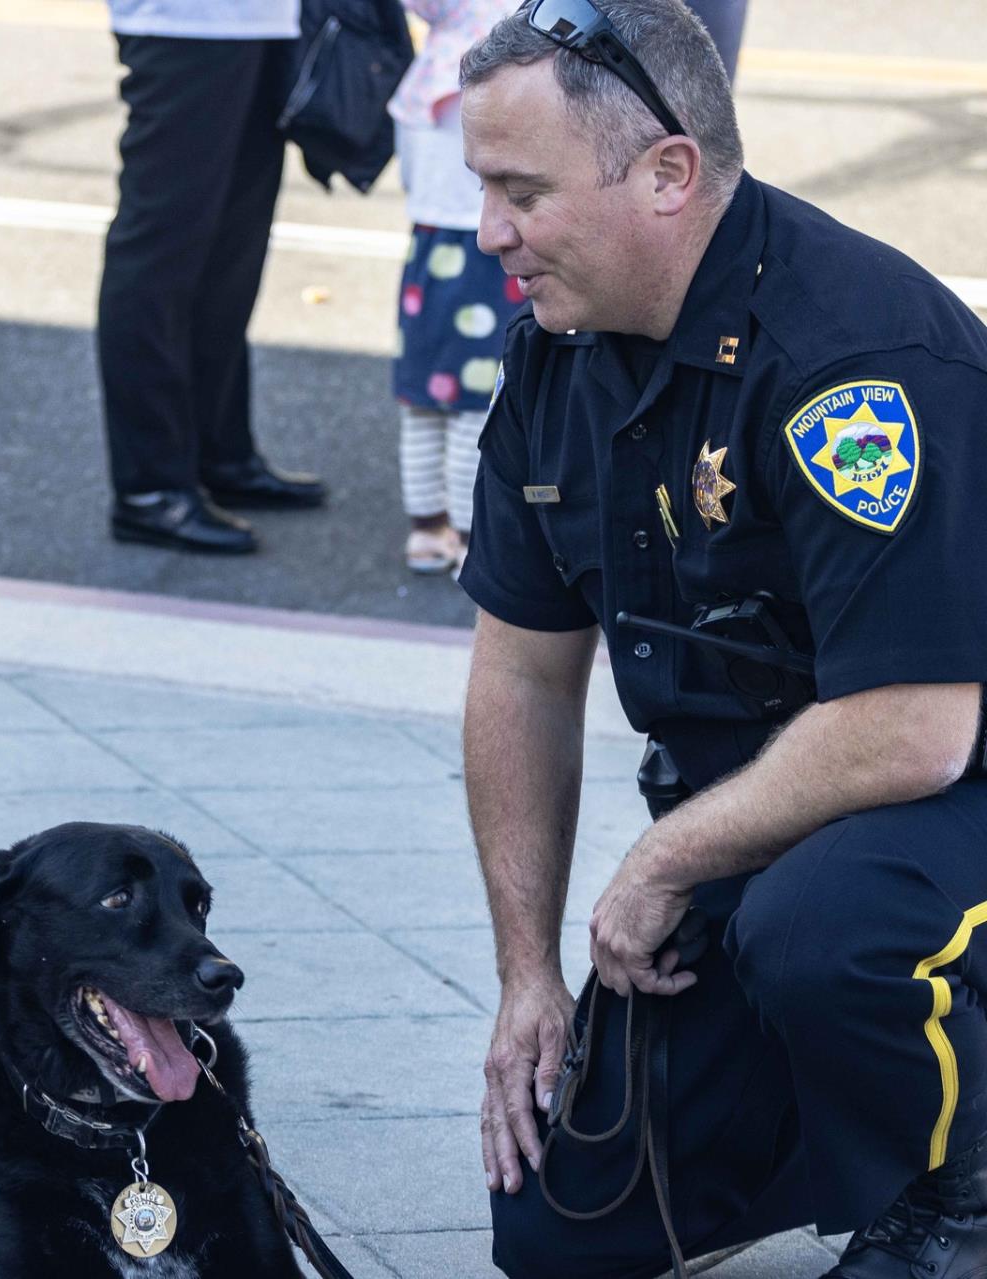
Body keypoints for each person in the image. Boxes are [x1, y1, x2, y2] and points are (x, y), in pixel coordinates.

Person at [457, 2, 987, 1276]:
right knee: (559, 1235)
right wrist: (528, 975)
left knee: (828, 931)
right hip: (767, 828)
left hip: (945, 794)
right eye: (484, 189)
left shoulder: (853, 362)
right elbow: (521, 674)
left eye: (521, 191)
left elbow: (916, 730)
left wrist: (660, 863)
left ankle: (960, 1200)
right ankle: (858, 1105)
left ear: (669, 172)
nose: (489, 236)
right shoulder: (556, 364)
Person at [98, 0, 328, 555]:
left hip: (265, 19)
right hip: (185, 21)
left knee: (232, 252)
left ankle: (219, 455)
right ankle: (150, 489)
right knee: (160, 250)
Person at [387, 0, 519, 575]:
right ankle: (472, 533)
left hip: (431, 241)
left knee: (424, 394)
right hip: (485, 250)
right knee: (477, 397)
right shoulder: (515, 48)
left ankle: (424, 527)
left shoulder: (438, 59)